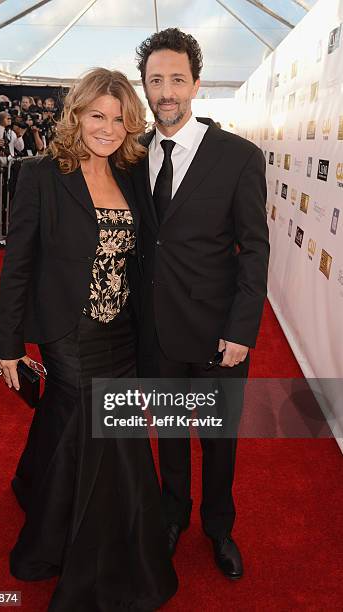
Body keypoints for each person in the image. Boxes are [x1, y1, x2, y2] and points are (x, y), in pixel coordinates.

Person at [0, 68, 177, 611]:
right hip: (68, 333)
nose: (109, 127)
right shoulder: (42, 174)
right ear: (75, 115)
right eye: (97, 114)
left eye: (120, 118)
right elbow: (18, 265)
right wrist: (8, 346)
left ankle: (52, 516)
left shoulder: (132, 175)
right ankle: (101, 564)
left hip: (120, 333)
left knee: (85, 428)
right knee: (103, 430)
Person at [132, 28, 270, 579]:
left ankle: (219, 527)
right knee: (167, 432)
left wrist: (243, 330)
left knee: (218, 440)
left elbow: (255, 249)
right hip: (154, 329)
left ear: (196, 83)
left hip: (218, 333)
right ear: (145, 85)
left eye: (177, 79)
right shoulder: (131, 153)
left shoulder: (239, 157)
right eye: (155, 80)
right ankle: (172, 517)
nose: (166, 91)